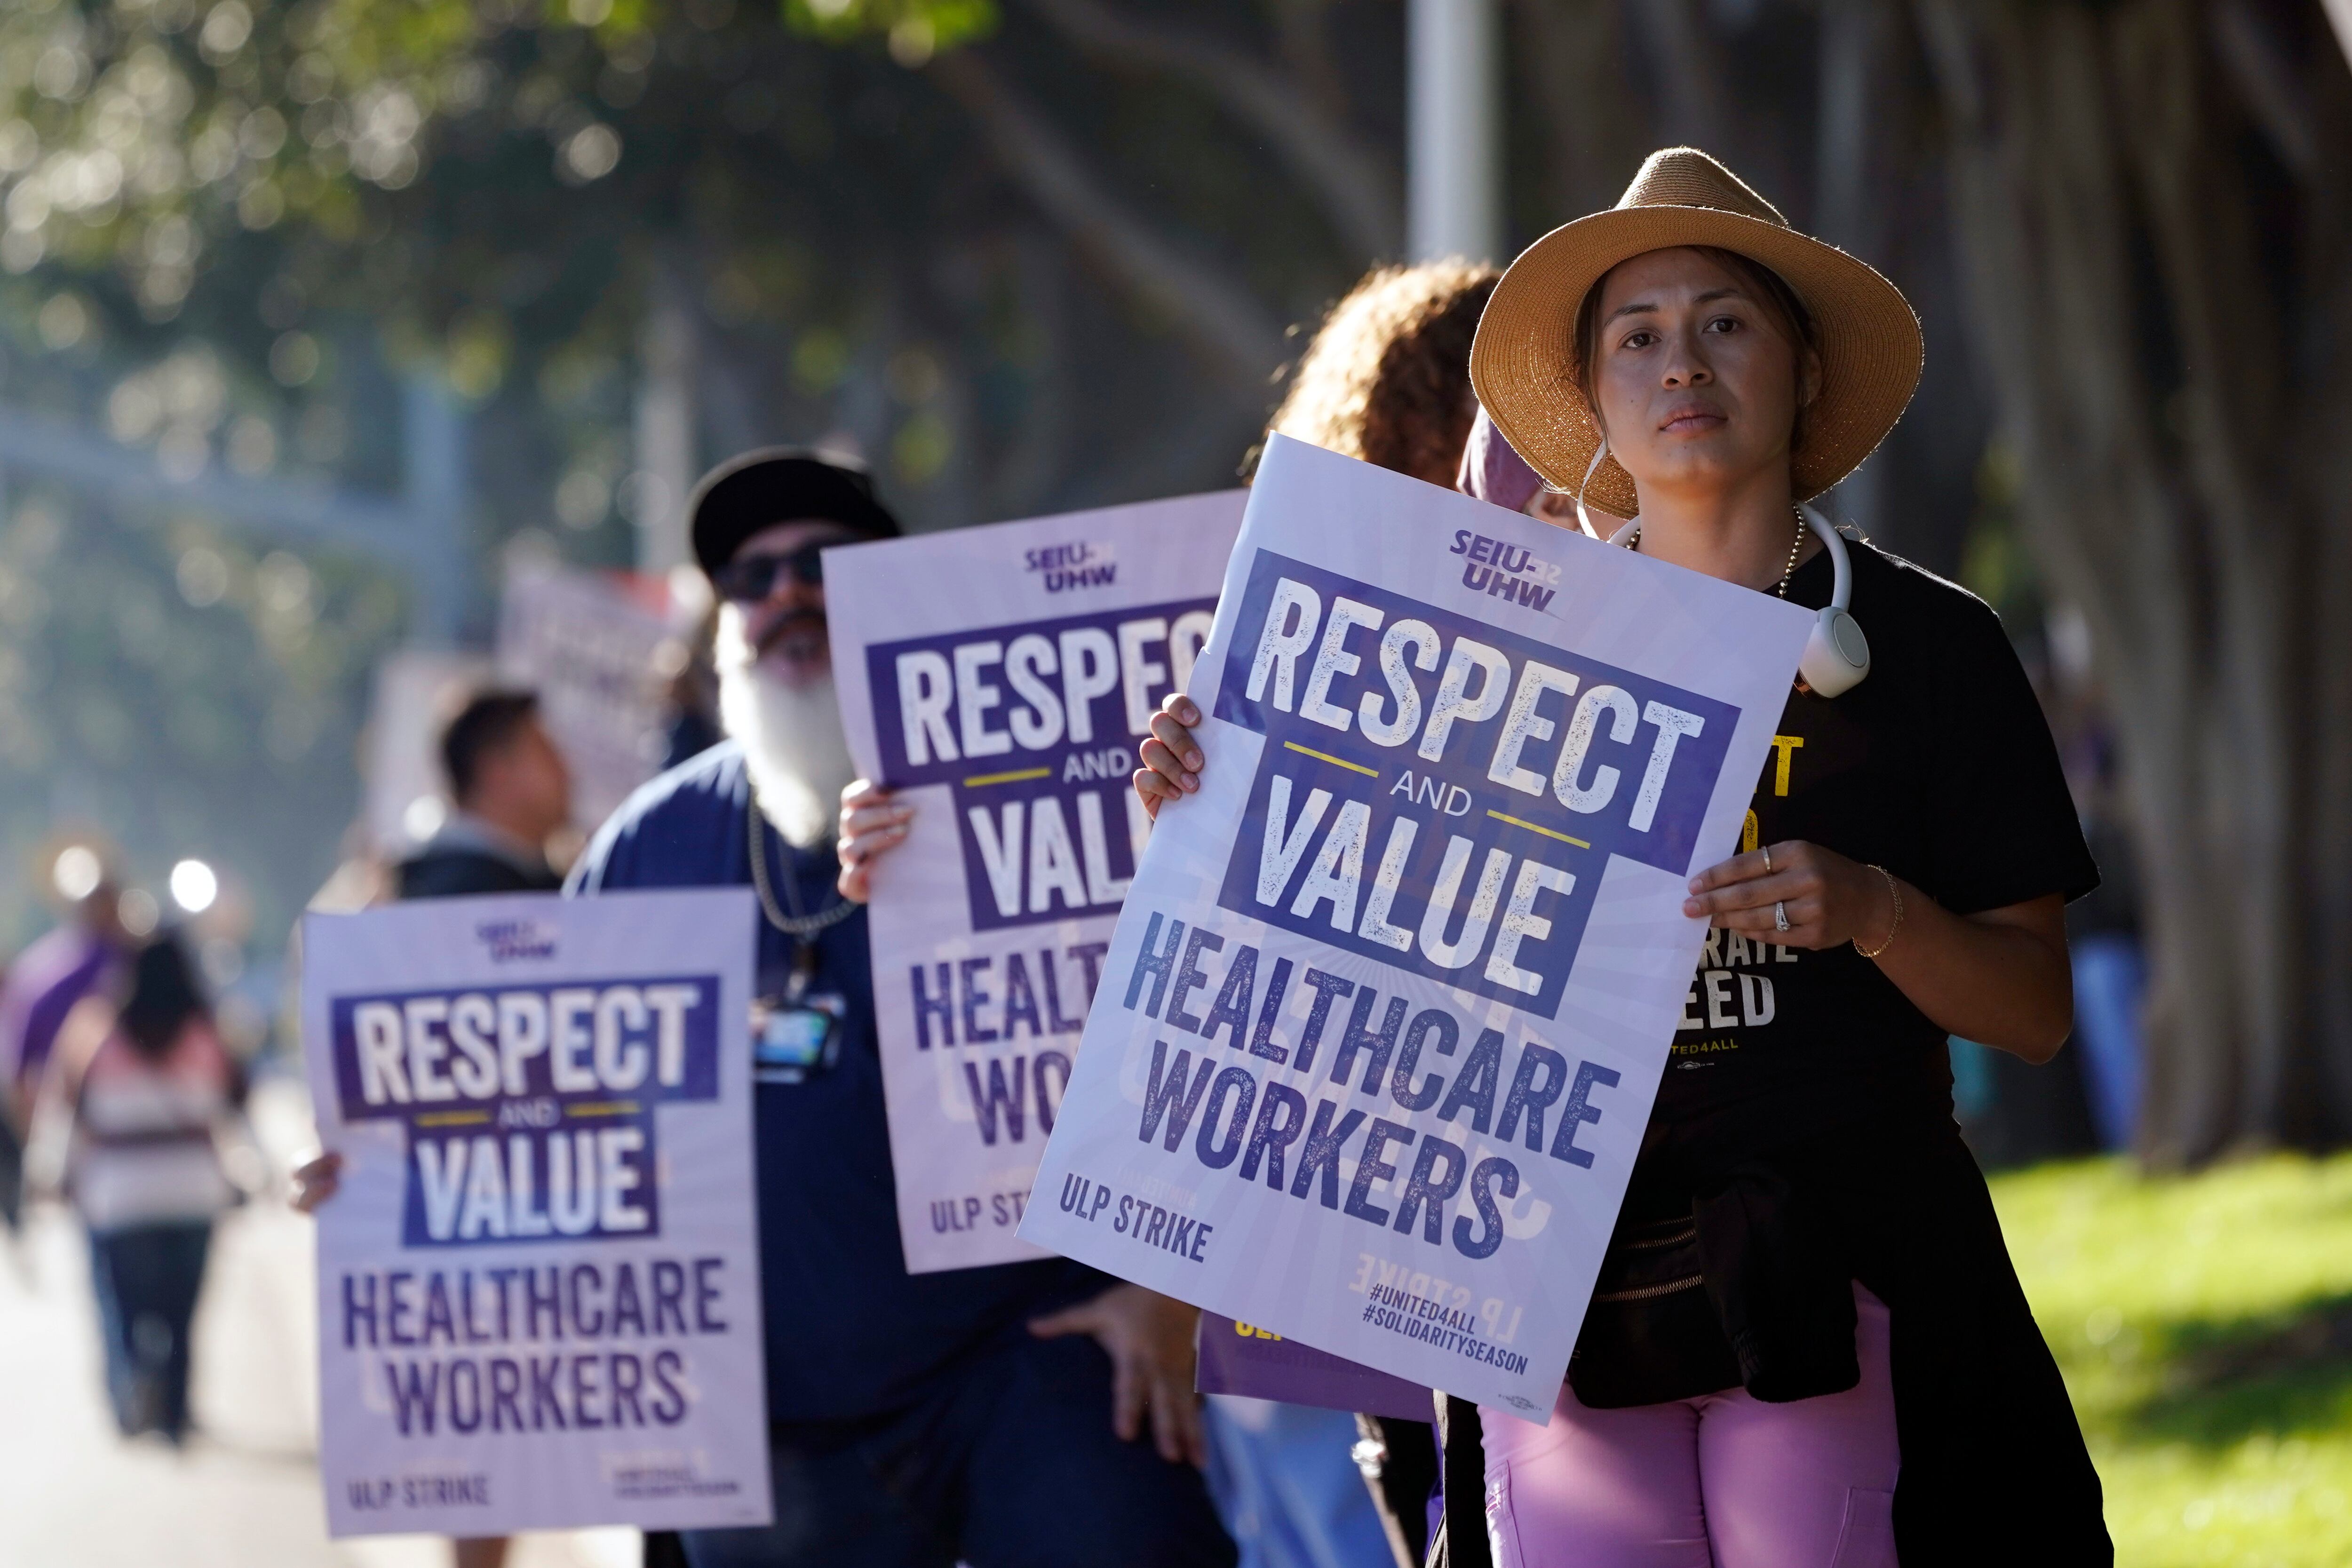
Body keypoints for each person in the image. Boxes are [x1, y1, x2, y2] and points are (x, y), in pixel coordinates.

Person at [1136, 148, 2111, 1566]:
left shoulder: (1927, 644)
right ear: (1588, 402)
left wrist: (1877, 910)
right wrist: (1207, 801)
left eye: (1724, 322)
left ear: (1803, 371)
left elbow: (2031, 1010)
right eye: (1636, 337)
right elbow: (1342, 945)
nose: (1683, 364)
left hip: (1847, 1272)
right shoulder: (1485, 658)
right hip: (1543, 1287)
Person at [511, 447, 1223, 1568]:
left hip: (1034, 1364)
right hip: (775, 1426)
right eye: (748, 580)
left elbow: (1214, 1031)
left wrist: (1170, 1290)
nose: (784, 593)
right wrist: (385, 1182)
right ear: (721, 630)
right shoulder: (648, 851)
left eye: (823, 563)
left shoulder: (1052, 780)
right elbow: (535, 1112)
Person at [29, 933, 245, 1444]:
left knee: (124, 1305)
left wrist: (53, 1175)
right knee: (183, 1313)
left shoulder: (95, 1031)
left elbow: (66, 1113)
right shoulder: (207, 1032)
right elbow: (236, 1107)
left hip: (118, 1193)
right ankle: (176, 1411)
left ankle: (134, 1386)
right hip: (194, 1190)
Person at [396, 689, 572, 898]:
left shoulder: (431, 885)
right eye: (548, 755)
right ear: (497, 771)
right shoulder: (465, 893)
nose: (565, 771)